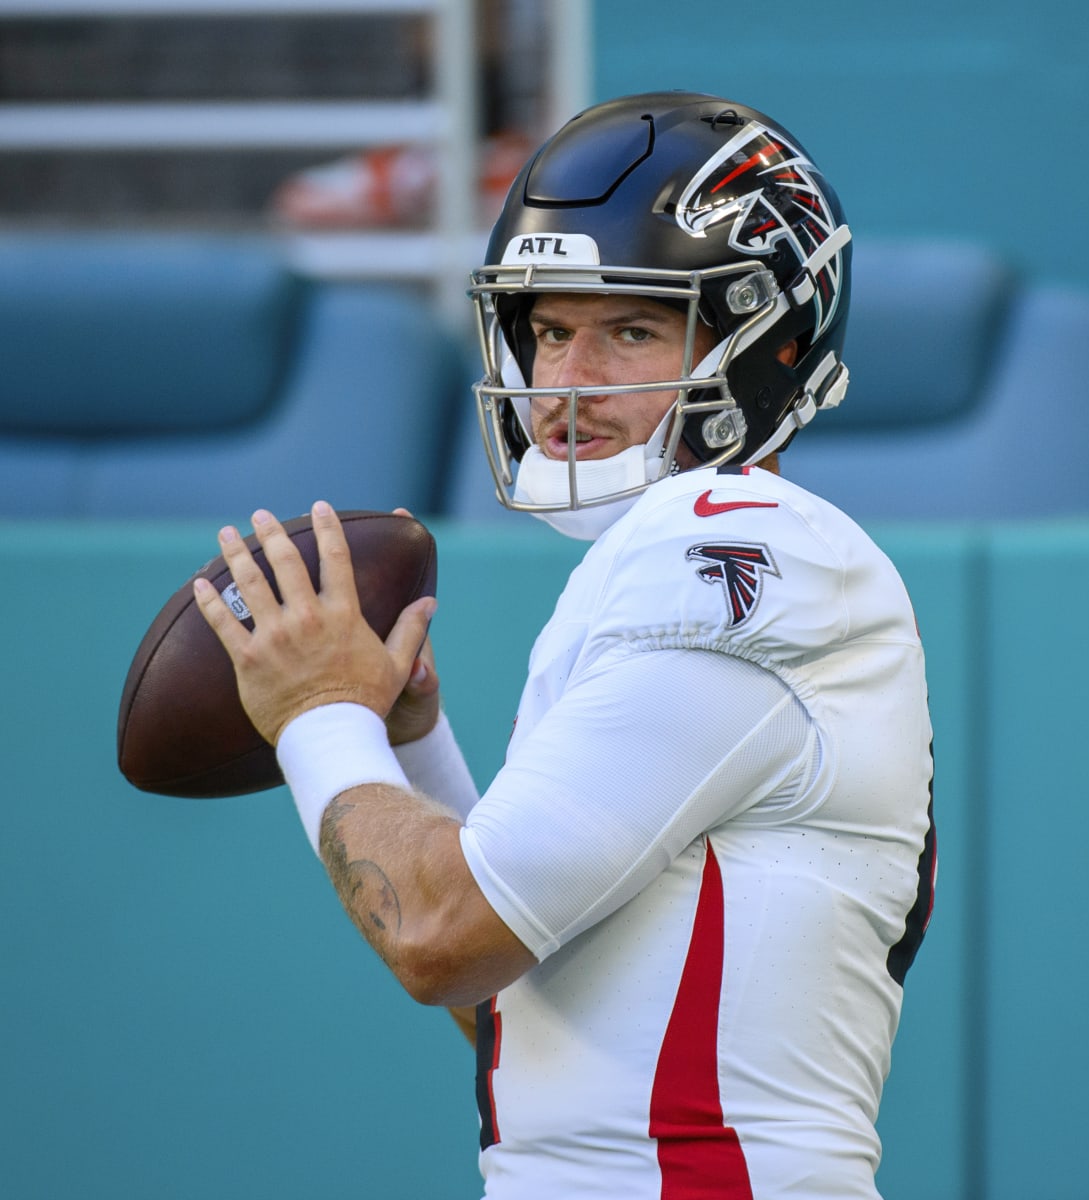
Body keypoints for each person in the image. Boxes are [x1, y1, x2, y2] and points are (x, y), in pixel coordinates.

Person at [194, 91, 936, 1199]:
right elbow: (510, 999)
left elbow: (442, 934)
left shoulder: (738, 543)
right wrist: (408, 743)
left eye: (630, 330)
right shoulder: (670, 555)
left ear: (773, 345)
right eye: (548, 332)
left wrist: (318, 716)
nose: (567, 384)